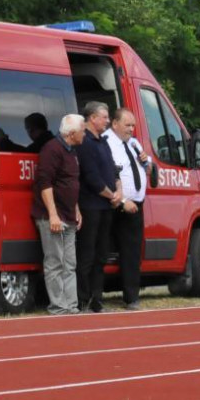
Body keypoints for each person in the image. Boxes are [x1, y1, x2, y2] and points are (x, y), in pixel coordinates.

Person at [34, 115, 84, 315]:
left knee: (70, 263)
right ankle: (59, 307)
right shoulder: (52, 149)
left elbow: (71, 183)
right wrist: (53, 215)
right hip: (54, 216)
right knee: (55, 262)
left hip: (69, 214)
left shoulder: (72, 151)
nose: (84, 134)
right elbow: (44, 183)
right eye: (82, 130)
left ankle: (71, 305)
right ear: (71, 133)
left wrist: (76, 208)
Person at [75, 101, 120, 313]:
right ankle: (82, 299)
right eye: (104, 117)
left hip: (105, 206)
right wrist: (112, 195)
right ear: (92, 118)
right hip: (90, 206)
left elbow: (113, 168)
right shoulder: (84, 142)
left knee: (101, 254)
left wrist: (119, 190)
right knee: (87, 254)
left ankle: (97, 298)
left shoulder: (103, 141)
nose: (107, 121)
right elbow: (91, 177)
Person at [104, 107, 151, 310]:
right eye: (127, 125)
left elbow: (148, 168)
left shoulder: (133, 143)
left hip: (135, 205)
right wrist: (122, 200)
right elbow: (108, 174)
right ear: (115, 124)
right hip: (115, 203)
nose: (131, 129)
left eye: (133, 125)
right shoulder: (106, 142)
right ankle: (94, 296)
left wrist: (146, 162)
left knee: (132, 252)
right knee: (104, 249)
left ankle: (131, 296)